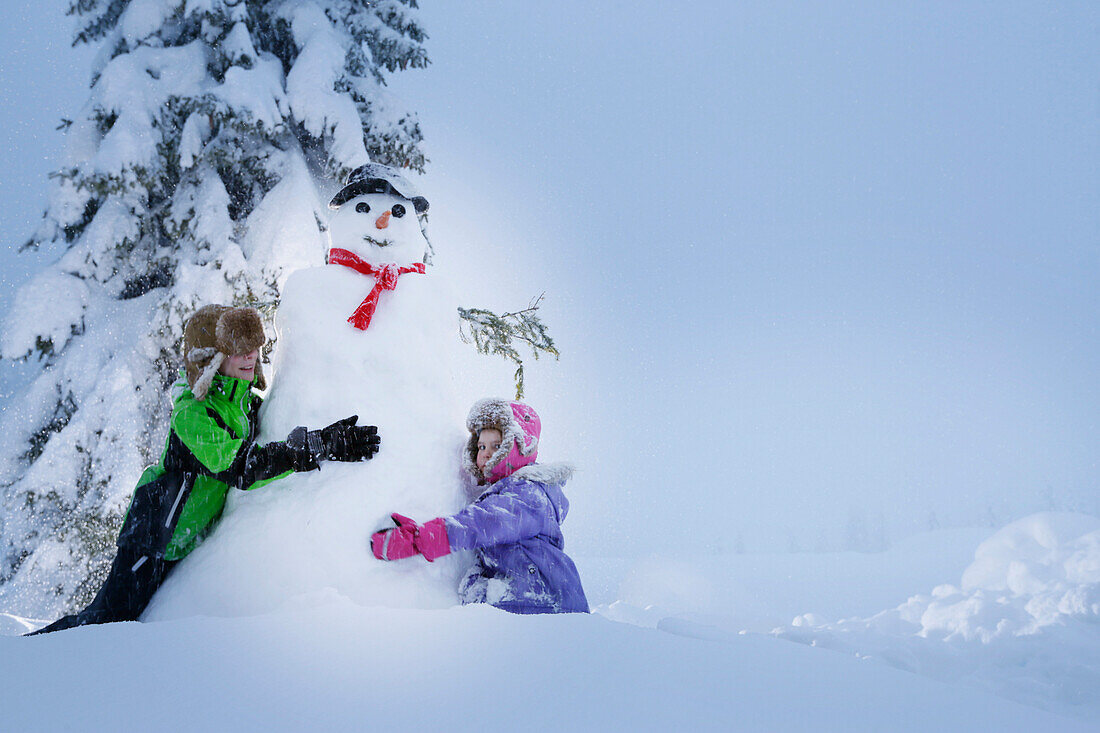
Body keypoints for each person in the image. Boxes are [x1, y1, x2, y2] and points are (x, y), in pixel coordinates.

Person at [30, 304, 380, 634]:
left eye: (251, 347)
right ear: (211, 361)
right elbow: (242, 467)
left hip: (183, 537)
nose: (250, 356)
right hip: (154, 538)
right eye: (237, 349)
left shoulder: (242, 403)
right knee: (105, 623)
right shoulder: (193, 416)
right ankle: (28, 653)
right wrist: (316, 446)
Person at [371, 398, 587, 615]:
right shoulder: (507, 493)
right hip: (530, 602)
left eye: (496, 446)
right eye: (481, 446)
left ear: (520, 446)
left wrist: (419, 539)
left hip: (544, 600)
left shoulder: (528, 493)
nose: (485, 452)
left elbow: (482, 523)